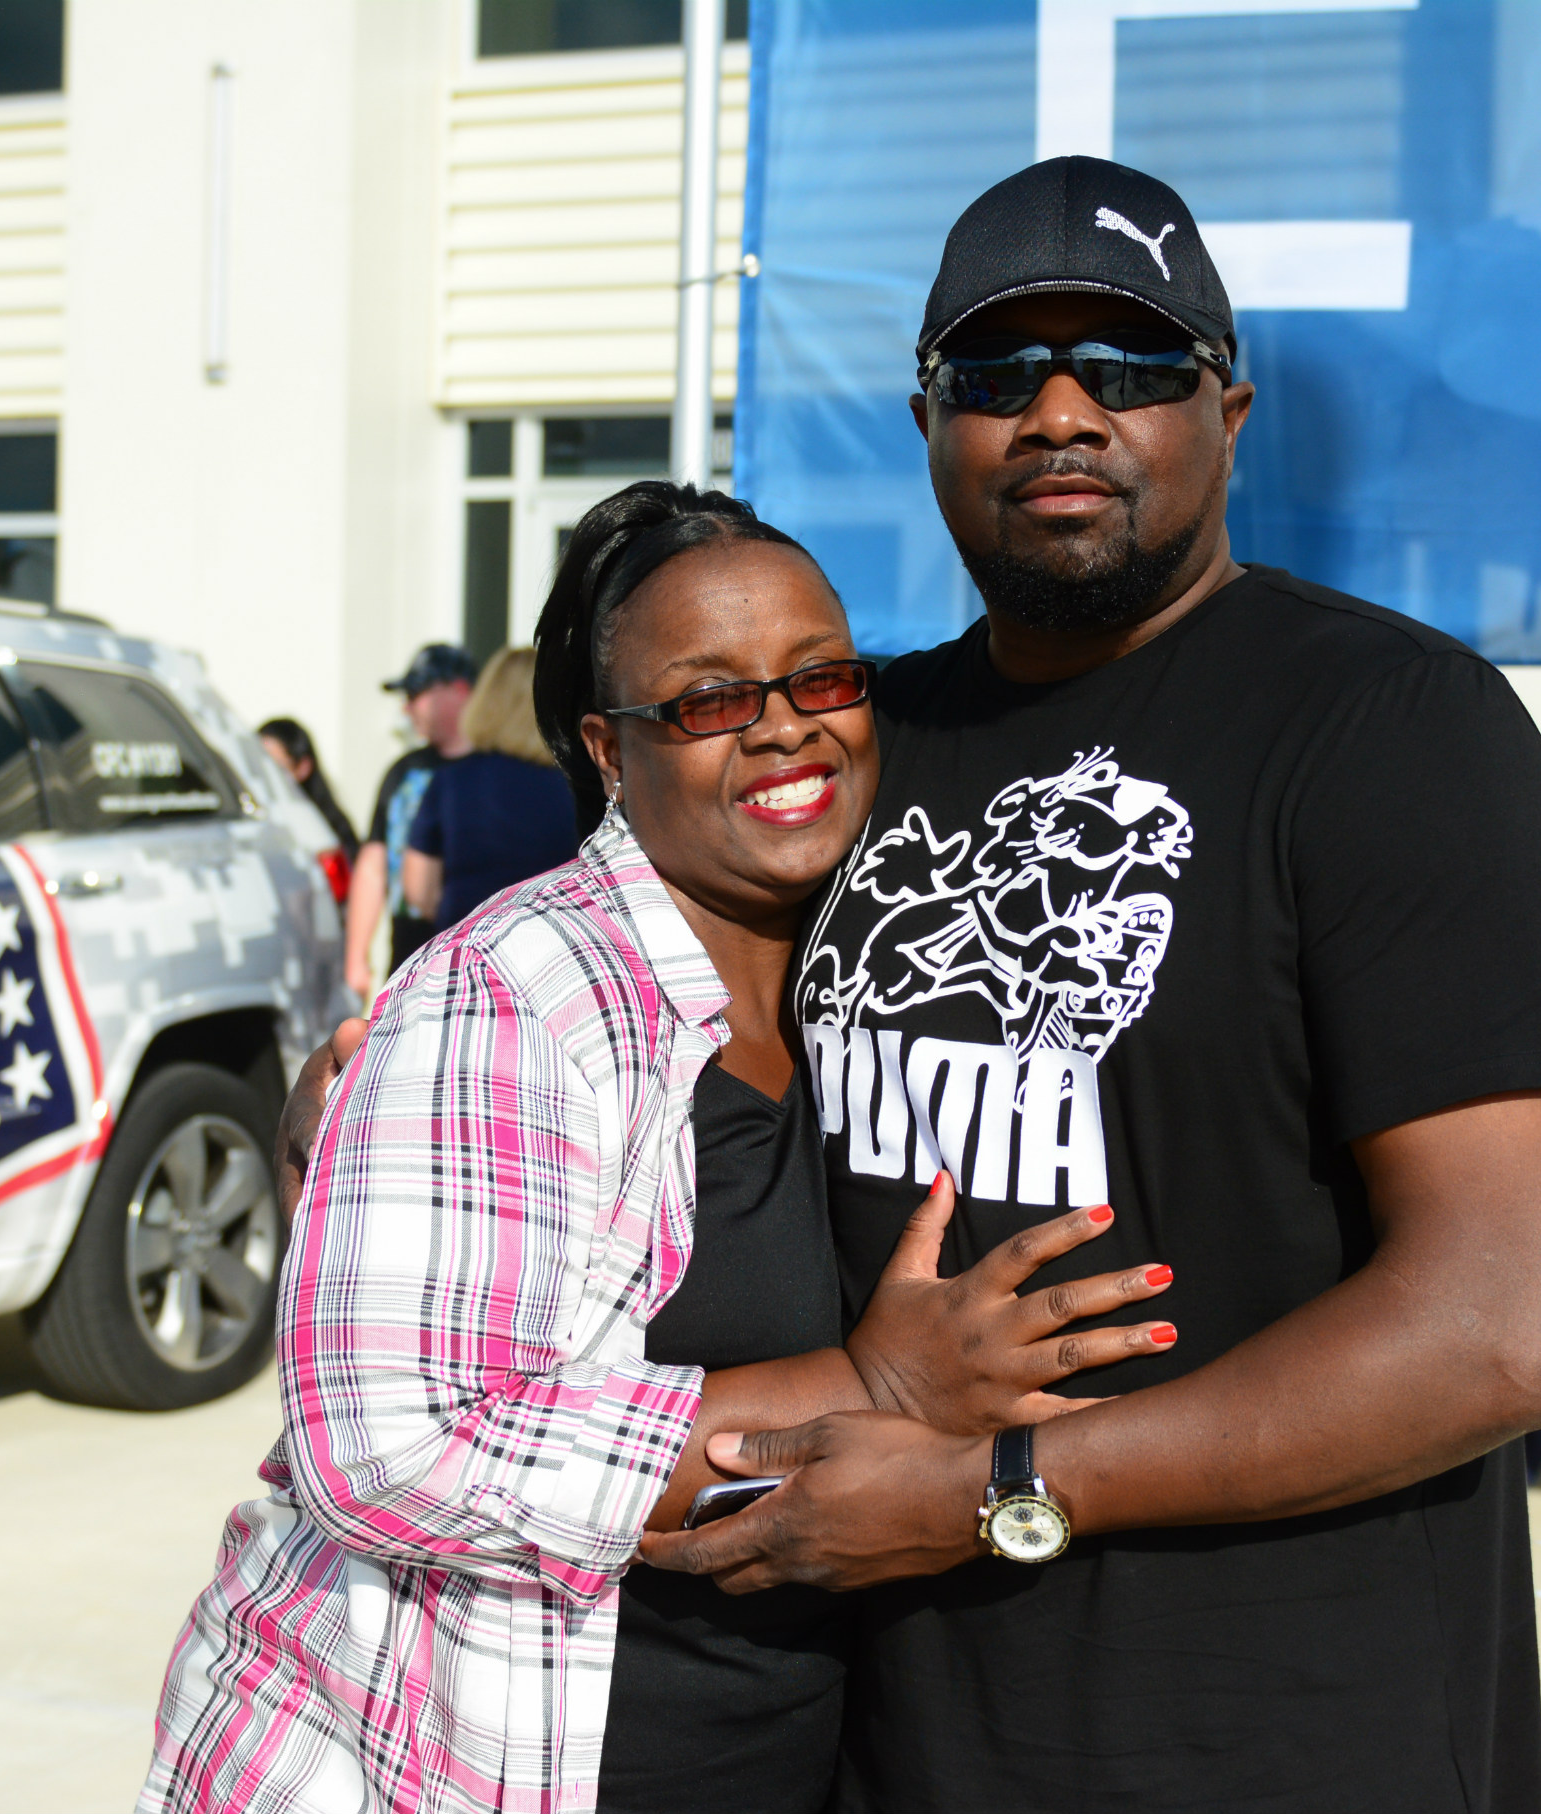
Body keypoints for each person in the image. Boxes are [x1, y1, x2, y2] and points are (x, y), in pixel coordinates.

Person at [621, 157, 1541, 1814]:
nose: (1063, 410)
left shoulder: (1394, 729)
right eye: (999, 371)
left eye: (1135, 365)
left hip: (1287, 1737)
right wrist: (388, 1070)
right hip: (893, 1731)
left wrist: (998, 1487)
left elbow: (1505, 1331)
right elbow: (636, 989)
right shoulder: (866, 736)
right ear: (932, 419)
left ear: (1227, 410)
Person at [142, 484, 1177, 1814]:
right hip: (475, 1757)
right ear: (609, 748)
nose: (784, 724)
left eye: (820, 675)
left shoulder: (859, 961)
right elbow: (388, 1445)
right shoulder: (519, 992)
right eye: (708, 700)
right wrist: (868, 1383)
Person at [401, 647, 579, 935]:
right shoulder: (578, 787)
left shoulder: (451, 782)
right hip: (553, 949)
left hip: (468, 948)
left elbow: (418, 890)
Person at [344, 643, 475, 998]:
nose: (407, 707)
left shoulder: (500, 770)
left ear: (458, 690)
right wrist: (357, 956)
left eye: (416, 693)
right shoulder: (405, 772)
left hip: (476, 957)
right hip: (408, 957)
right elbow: (374, 862)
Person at [257, 715, 361, 853]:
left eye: (276, 769)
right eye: (256, 766)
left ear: (302, 768)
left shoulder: (326, 832)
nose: (263, 777)